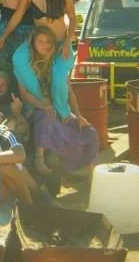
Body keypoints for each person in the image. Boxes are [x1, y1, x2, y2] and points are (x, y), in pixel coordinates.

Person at [13, 26, 98, 177]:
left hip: (61, 109)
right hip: (35, 108)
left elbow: (69, 90)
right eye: (40, 41)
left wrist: (77, 114)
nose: (45, 45)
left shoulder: (57, 63)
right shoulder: (25, 64)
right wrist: (43, 105)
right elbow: (25, 94)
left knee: (89, 131)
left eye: (48, 42)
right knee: (48, 119)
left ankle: (88, 168)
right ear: (33, 43)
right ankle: (39, 158)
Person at [0, 70, 29, 145]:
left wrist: (18, 113)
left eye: (3, 85)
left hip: (10, 143)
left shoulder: (15, 102)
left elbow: (24, 131)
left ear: (7, 87)